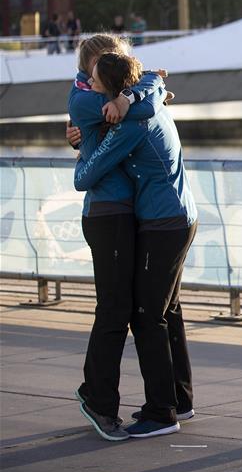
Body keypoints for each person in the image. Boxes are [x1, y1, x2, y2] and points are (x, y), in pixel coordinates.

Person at [74, 52, 197, 439]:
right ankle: (178, 400)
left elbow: (85, 177)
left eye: (95, 82)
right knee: (165, 310)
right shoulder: (149, 103)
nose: (89, 87)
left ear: (112, 89)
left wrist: (82, 151)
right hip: (175, 215)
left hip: (162, 222)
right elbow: (153, 81)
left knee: (147, 316)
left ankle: (161, 413)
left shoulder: (131, 123)